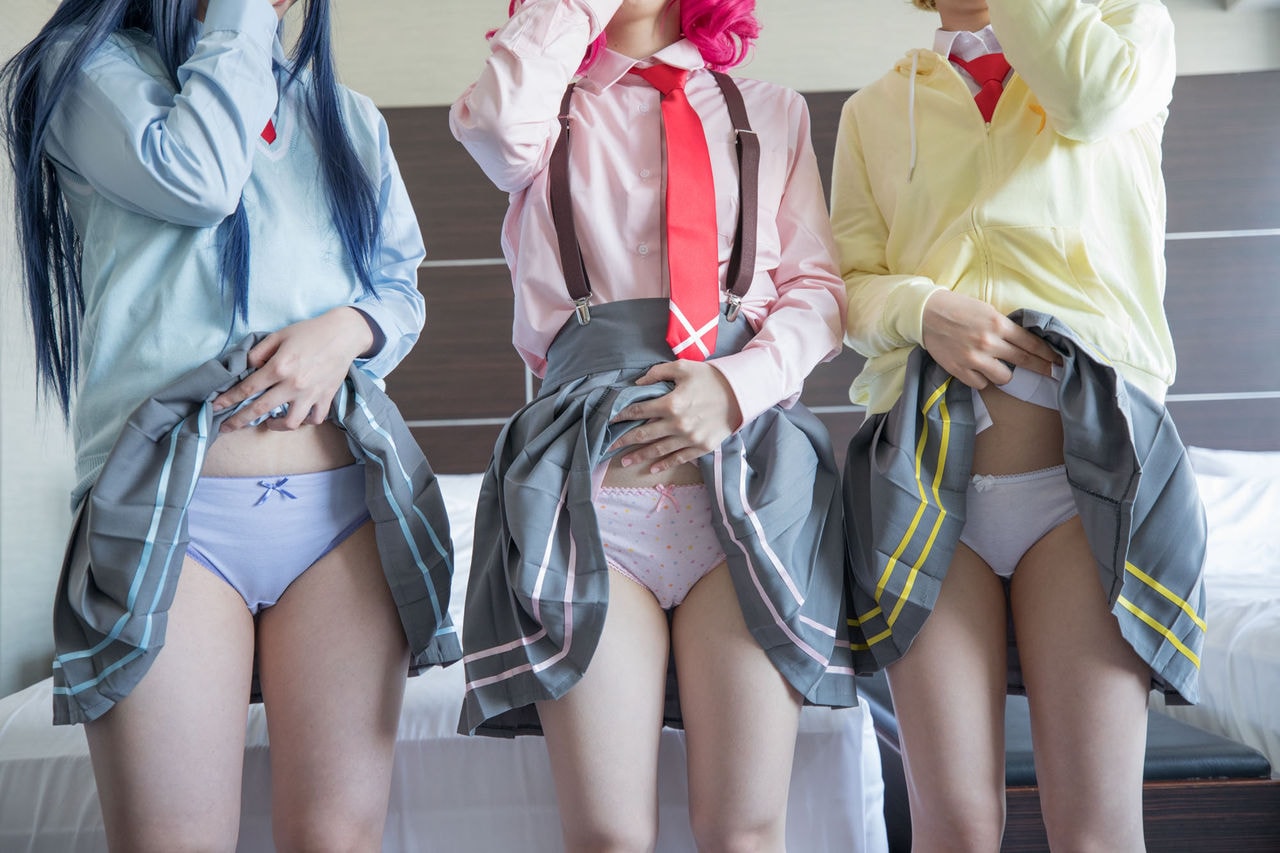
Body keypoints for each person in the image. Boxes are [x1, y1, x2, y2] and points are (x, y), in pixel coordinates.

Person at [1, 0, 459, 849]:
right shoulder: (85, 71)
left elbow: (399, 288)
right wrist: (238, 16)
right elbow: (200, 177)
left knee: (336, 838)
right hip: (174, 520)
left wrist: (347, 331)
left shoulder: (345, 115)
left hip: (345, 514)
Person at [451, 0, 856, 849]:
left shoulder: (772, 109)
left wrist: (737, 387)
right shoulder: (540, 107)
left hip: (748, 485)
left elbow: (818, 291)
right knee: (607, 833)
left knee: (745, 829)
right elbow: (492, 127)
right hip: (590, 496)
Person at [831, 1, 1206, 850]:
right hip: (930, 488)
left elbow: (1088, 103)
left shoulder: (1127, 30)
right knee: (955, 827)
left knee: (1094, 829)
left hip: (1083, 492)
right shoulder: (874, 110)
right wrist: (924, 308)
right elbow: (848, 285)